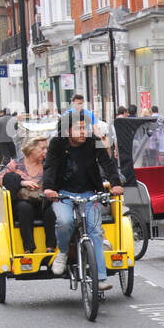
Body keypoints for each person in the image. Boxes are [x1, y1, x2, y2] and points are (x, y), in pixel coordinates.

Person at [42, 110, 124, 292]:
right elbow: (50, 166)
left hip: (89, 192)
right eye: (78, 128)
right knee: (65, 222)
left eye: (85, 128)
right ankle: (62, 252)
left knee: (95, 232)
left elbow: (107, 163)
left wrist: (116, 184)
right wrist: (48, 188)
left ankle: (100, 277)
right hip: (62, 193)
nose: (83, 132)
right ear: (67, 130)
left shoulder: (93, 142)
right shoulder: (57, 143)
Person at [0, 135, 56, 254]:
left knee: (51, 210)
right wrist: (21, 183)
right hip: (22, 203)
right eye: (42, 148)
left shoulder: (47, 164)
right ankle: (29, 248)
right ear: (31, 149)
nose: (46, 151)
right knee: (25, 207)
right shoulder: (16, 164)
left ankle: (51, 247)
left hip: (42, 201)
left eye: (47, 148)